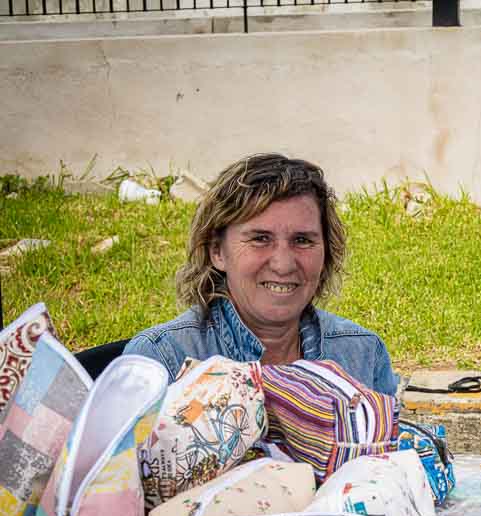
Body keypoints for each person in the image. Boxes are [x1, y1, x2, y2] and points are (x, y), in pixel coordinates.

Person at [125, 153, 397, 395]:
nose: (283, 264)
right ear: (217, 251)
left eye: (302, 240)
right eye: (260, 239)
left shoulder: (362, 354)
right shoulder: (160, 361)